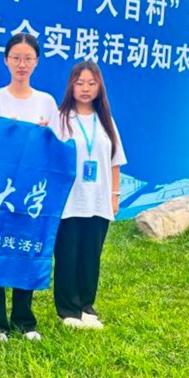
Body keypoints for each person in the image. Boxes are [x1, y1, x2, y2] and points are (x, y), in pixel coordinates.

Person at [0, 33, 58, 342]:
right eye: (16, 58)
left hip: (32, 191)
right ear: (6, 61)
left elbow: (56, 147)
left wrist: (44, 135)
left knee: (25, 249)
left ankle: (24, 319)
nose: (21, 64)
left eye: (28, 58)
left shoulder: (46, 102)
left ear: (36, 62)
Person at [54, 60, 126, 329]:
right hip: (70, 200)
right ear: (71, 86)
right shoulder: (61, 118)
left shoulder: (106, 121)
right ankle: (68, 310)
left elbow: (115, 161)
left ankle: (86, 306)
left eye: (91, 83)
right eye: (80, 83)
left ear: (99, 88)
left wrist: (114, 195)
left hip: (98, 199)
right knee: (67, 255)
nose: (85, 88)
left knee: (90, 255)